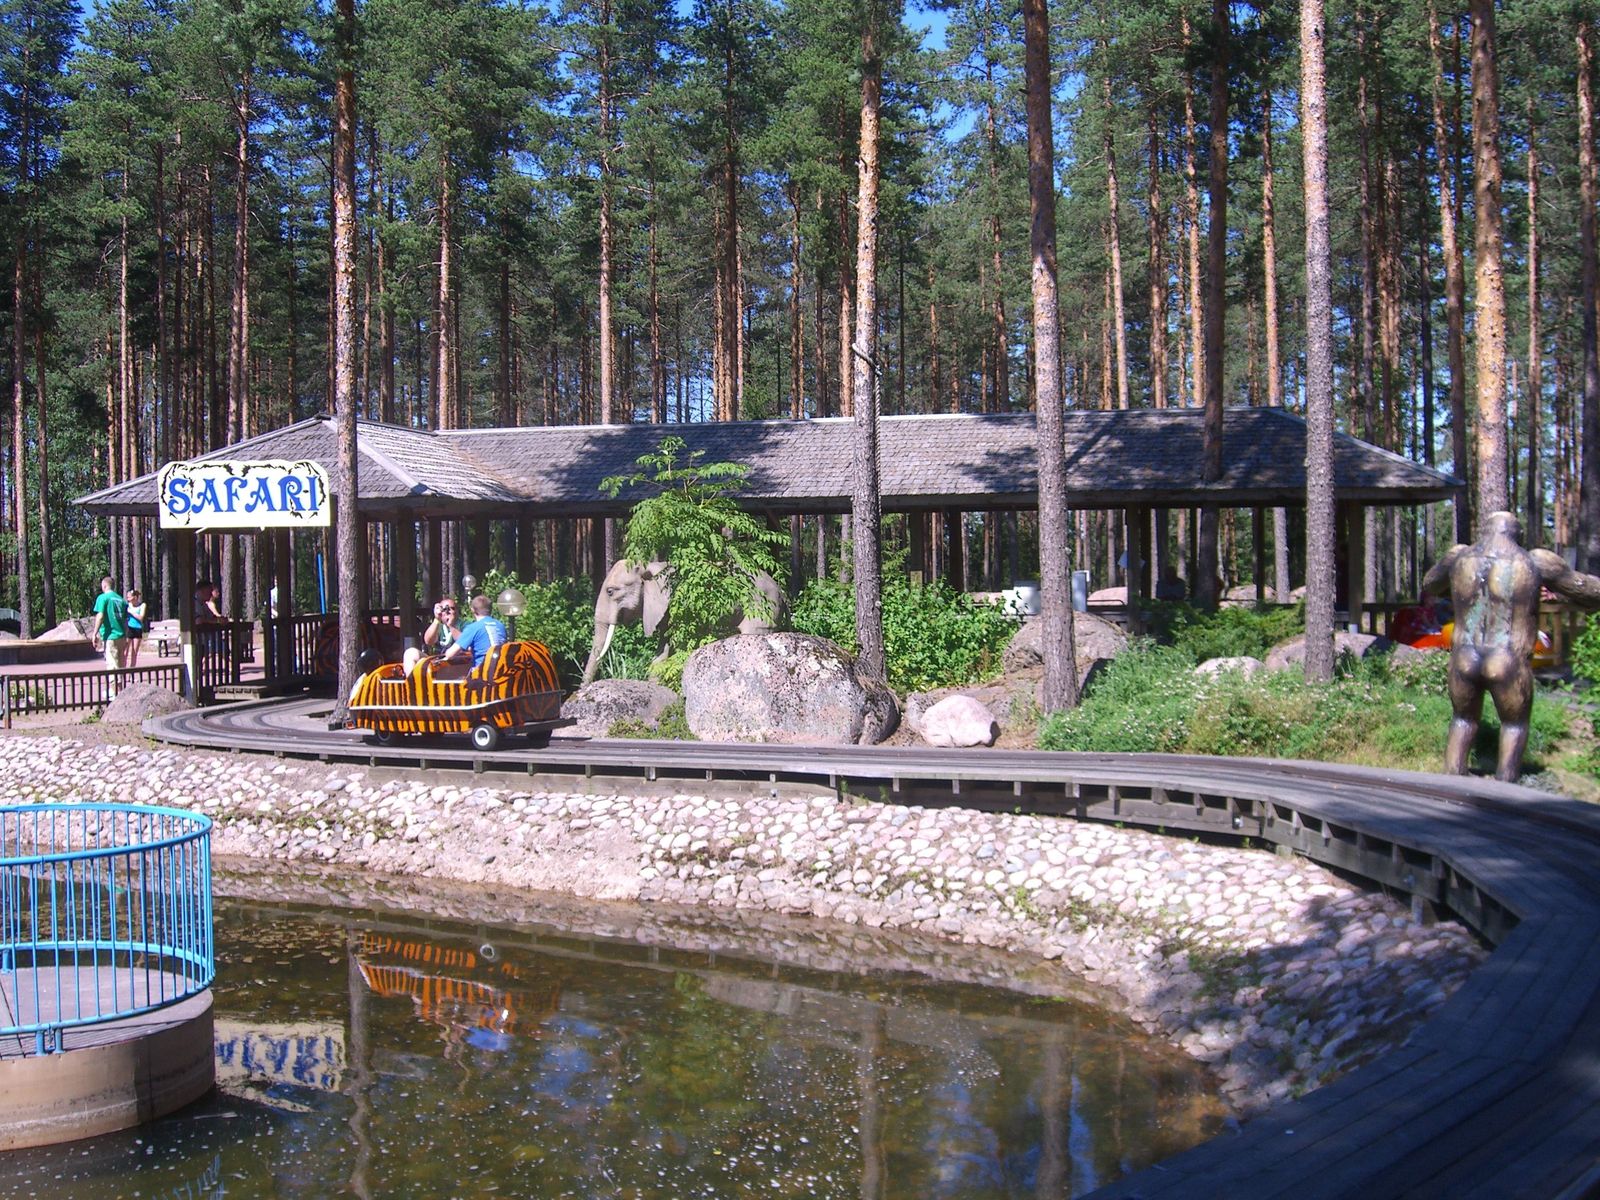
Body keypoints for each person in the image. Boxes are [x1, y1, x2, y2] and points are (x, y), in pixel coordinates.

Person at [1422, 511, 1600, 781]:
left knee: (1462, 719)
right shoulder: (1535, 561)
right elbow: (1588, 591)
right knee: (1514, 725)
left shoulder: (1458, 556)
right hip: (1507, 658)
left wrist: (1461, 587)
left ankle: (1452, 779)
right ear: (1519, 535)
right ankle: (1506, 784)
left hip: (1464, 656)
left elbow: (1431, 585)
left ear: (1485, 531)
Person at [442, 594, 508, 671]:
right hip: (502, 671)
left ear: (472, 610)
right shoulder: (500, 625)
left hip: (483, 673)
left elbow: (450, 655)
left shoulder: (473, 628)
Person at [403, 597, 463, 675]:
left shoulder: (464, 624)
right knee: (410, 653)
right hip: (437, 661)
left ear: (457, 611)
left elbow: (465, 641)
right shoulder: (438, 625)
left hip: (459, 663)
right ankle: (412, 681)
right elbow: (428, 641)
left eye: (452, 608)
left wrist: (451, 626)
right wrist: (437, 619)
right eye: (444, 609)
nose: (448, 611)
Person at [89, 577, 129, 671]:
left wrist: (94, 633)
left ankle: (114, 681)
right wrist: (126, 635)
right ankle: (121, 680)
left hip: (110, 636)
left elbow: (100, 616)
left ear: (104, 586)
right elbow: (126, 620)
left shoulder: (103, 598)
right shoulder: (121, 600)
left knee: (112, 665)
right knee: (121, 665)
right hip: (121, 636)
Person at [124, 588, 147, 668]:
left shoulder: (142, 605)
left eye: (129, 597)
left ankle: (132, 671)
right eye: (127, 597)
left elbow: (141, 617)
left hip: (137, 629)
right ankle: (123, 670)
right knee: (125, 651)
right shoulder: (127, 605)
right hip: (128, 629)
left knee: (134, 652)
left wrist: (131, 612)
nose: (128, 599)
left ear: (135, 597)